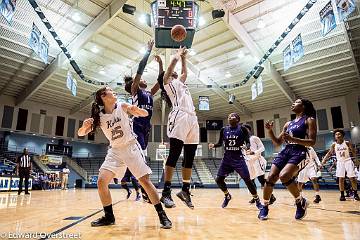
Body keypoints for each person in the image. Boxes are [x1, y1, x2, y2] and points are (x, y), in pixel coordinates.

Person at [78, 86, 171, 229]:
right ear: (103, 96)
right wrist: (84, 127)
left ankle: (162, 215)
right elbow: (80, 133)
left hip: (131, 147)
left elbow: (145, 113)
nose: (113, 91)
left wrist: (137, 110)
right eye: (110, 90)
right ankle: (109, 217)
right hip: (115, 151)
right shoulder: (100, 117)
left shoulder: (122, 106)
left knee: (144, 181)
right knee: (102, 181)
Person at [258, 98, 317, 221]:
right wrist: (270, 131)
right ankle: (265, 206)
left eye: (296, 102)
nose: (293, 104)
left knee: (284, 176)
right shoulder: (288, 124)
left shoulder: (309, 120)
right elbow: (277, 143)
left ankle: (300, 202)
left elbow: (312, 142)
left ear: (304, 106)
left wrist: (294, 139)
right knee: (270, 178)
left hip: (300, 151)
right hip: (286, 151)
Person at [157, 47, 199, 209]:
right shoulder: (168, 83)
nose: (175, 74)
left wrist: (184, 58)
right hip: (179, 116)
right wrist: (176, 56)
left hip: (192, 118)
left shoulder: (180, 83)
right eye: (172, 73)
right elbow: (168, 71)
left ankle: (185, 191)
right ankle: (166, 192)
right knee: (174, 154)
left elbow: (185, 73)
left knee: (189, 156)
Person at [123, 40, 160, 203]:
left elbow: (161, 82)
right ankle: (143, 189)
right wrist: (148, 51)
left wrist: (160, 64)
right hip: (136, 126)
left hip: (146, 127)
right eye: (140, 78)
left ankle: (133, 178)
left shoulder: (150, 93)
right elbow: (140, 69)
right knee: (141, 159)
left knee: (141, 158)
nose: (143, 78)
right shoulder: (135, 90)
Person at [208, 113, 262, 209]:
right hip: (227, 159)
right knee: (218, 180)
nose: (230, 117)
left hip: (239, 158)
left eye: (232, 116)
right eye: (228, 117)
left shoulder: (242, 129)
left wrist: (247, 147)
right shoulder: (224, 129)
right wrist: (214, 145)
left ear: (237, 119)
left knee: (247, 180)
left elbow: (248, 142)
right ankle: (227, 196)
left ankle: (257, 200)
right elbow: (220, 143)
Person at [243, 124, 276, 205]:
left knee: (261, 180)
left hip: (257, 160)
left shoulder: (254, 138)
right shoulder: (242, 140)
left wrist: (254, 152)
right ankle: (255, 197)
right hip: (248, 162)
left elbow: (262, 148)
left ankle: (271, 196)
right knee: (251, 181)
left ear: (249, 130)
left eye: (245, 129)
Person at [321, 129, 359, 201]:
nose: (337, 136)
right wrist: (323, 161)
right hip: (340, 162)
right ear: (334, 136)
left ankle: (356, 194)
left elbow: (353, 151)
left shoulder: (347, 143)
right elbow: (329, 153)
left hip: (348, 161)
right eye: (336, 134)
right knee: (341, 179)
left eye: (339, 134)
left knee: (352, 178)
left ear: (342, 135)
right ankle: (342, 195)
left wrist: (357, 160)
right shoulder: (334, 145)